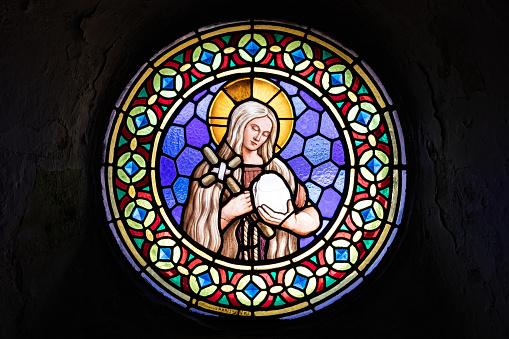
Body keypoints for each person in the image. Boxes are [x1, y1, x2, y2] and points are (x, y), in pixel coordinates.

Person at [182, 101, 320, 261]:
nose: (258, 137)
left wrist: (292, 222)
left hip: (272, 261)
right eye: (254, 128)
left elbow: (311, 215)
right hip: (225, 265)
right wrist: (227, 214)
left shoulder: (279, 170)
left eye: (265, 134)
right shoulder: (211, 169)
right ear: (238, 125)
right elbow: (191, 234)